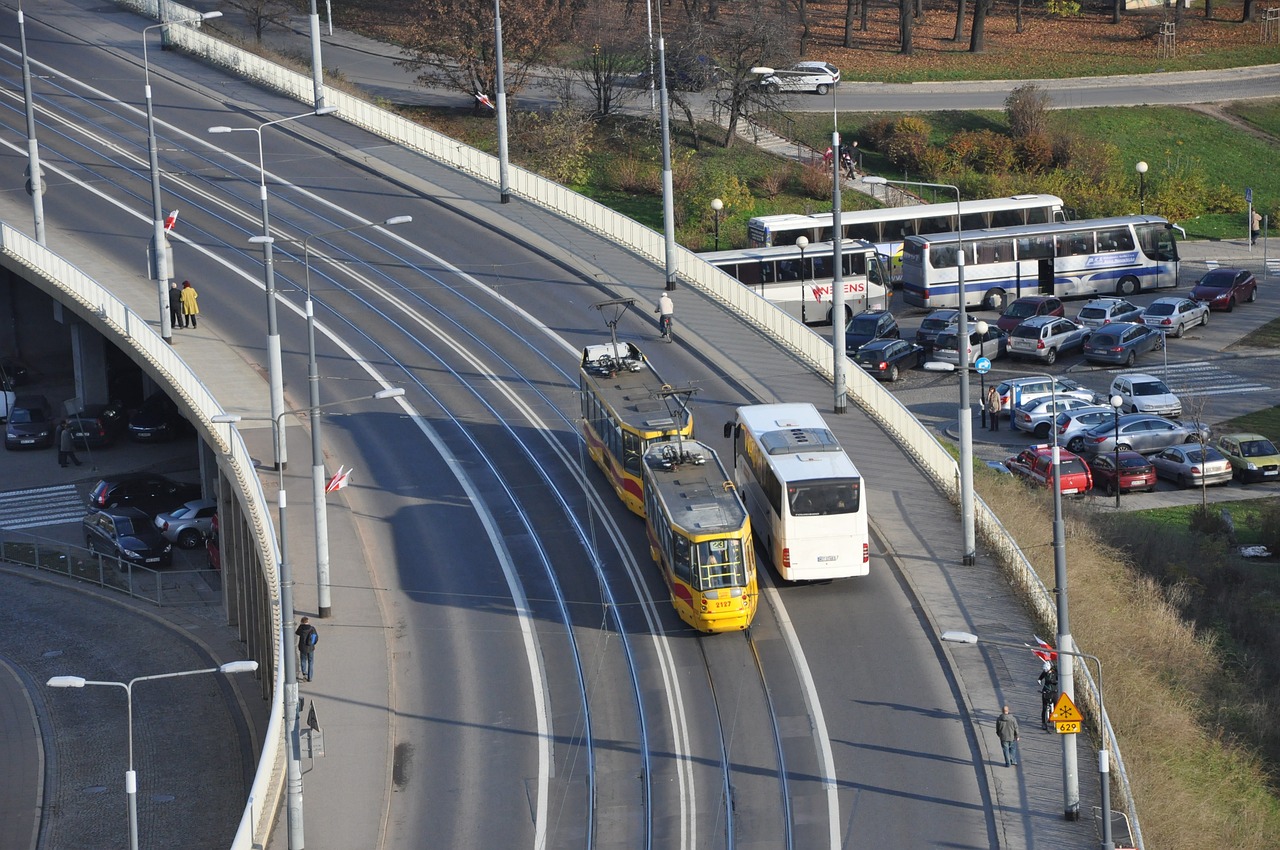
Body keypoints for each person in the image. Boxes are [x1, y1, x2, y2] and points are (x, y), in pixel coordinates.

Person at [1038, 662, 1059, 731]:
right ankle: (1043, 723)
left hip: (1054, 691)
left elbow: (1058, 679)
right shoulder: (1044, 673)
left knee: (1056, 706)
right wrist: (1039, 681)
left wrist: (1055, 681)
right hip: (1046, 691)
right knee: (1044, 708)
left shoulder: (1054, 673)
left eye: (1045, 669)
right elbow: (1040, 678)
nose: (1045, 671)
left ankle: (1057, 721)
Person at [296, 616, 317, 681]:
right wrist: (313, 644)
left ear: (302, 622)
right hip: (310, 648)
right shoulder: (312, 628)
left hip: (303, 648)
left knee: (303, 660)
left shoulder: (301, 628)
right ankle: (310, 677)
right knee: (311, 662)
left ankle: (304, 673)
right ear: (308, 621)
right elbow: (315, 637)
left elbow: (297, 633)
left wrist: (300, 625)